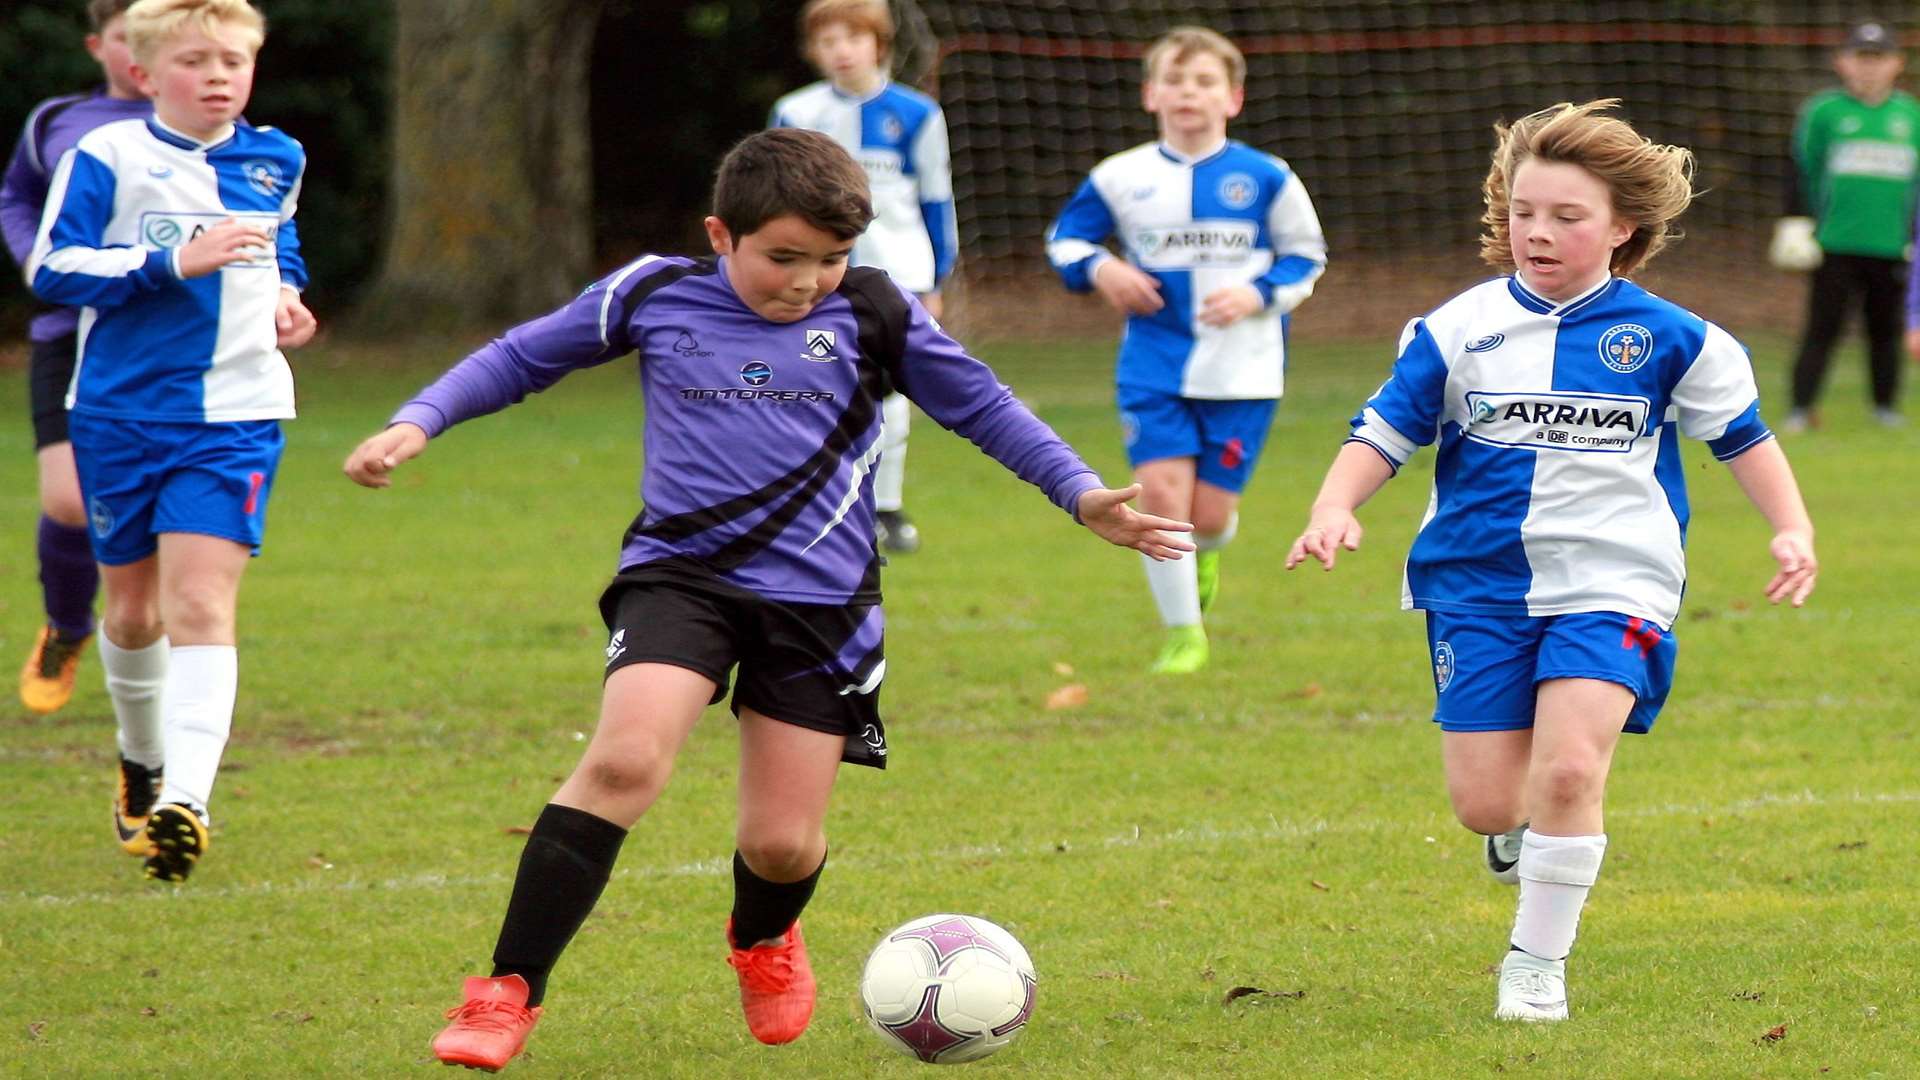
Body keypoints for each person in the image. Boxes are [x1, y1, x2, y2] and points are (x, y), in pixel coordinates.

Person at [343, 127, 1191, 1072]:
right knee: (625, 761)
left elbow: (983, 406)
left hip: (822, 602)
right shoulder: (655, 294)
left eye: (831, 259)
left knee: (784, 846)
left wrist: (1080, 494)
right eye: (784, 258)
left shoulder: (874, 311)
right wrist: (416, 420)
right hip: (682, 578)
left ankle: (761, 937)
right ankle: (505, 992)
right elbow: (519, 357)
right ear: (722, 235)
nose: (809, 281)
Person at [1286, 100, 1818, 1022]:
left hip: (1618, 577)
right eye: (1525, 211)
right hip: (1476, 583)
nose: (1539, 231)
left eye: (1567, 217)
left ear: (1623, 228)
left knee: (1571, 771)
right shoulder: (1459, 328)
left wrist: (1791, 526)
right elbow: (1384, 431)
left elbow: (1744, 438)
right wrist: (1335, 504)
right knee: (1488, 806)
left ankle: (1535, 964)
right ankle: (1518, 833)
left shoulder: (1677, 338)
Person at [25, 0, 315, 881]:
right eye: (196, 61)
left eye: (234, 60)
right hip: (118, 414)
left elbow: (279, 243)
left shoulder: (277, 156)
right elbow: (51, 267)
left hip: (234, 416)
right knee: (134, 613)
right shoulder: (104, 156)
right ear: (147, 74)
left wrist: (286, 295)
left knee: (199, 607)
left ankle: (186, 800)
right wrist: (167, 263)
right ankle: (141, 764)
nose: (219, 76)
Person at [1046, 25, 1326, 675]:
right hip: (1153, 363)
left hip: (1244, 369)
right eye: (1174, 80)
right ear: (1150, 95)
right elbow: (1065, 241)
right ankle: (1183, 635)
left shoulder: (1267, 177)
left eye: (1203, 82)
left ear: (1233, 98)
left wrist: (1257, 293)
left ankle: (1211, 551)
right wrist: (1101, 270)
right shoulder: (1120, 177)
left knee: (1210, 517)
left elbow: (1307, 257)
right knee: (1164, 499)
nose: (1187, 93)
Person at [3, 0, 151, 717]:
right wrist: (38, 259)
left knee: (158, 512)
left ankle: (170, 647)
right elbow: (18, 197)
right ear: (99, 45)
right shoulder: (57, 124)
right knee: (66, 500)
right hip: (71, 334)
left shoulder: (214, 132)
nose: (142, 55)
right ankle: (65, 627)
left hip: (162, 345)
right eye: (129, 40)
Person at [770, 0, 958, 554]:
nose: (841, 51)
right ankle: (816, 500)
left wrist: (935, 279)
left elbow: (935, 198)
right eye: (828, 42)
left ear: (879, 42)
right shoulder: (795, 111)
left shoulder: (917, 114)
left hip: (899, 272)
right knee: (812, 382)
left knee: (891, 391)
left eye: (853, 37)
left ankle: (887, 508)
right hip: (816, 275)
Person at [1775, 20, 1920, 432]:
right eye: (1861, 58)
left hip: (1892, 245)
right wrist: (1796, 224)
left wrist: (1913, 236)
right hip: (1834, 242)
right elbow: (1801, 169)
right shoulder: (1824, 112)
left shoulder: (1911, 116)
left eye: (1878, 59)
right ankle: (1801, 409)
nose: (1869, 68)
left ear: (1897, 63)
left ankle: (1885, 408)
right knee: (1822, 329)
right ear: (1842, 62)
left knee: (1886, 332)